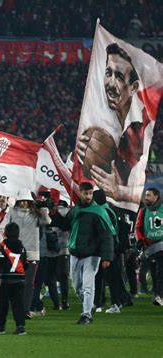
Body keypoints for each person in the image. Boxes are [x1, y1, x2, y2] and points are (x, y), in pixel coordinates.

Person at [77, 43, 153, 208]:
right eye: (108, 73)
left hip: (125, 217)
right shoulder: (98, 120)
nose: (110, 83)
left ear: (133, 87)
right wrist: (78, 157)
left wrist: (119, 191)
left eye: (119, 76)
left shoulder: (140, 129)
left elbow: (147, 193)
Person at [53, 182, 114, 324]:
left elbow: (107, 236)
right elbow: (64, 225)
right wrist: (54, 213)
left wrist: (106, 257)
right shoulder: (75, 210)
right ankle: (90, 305)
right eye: (85, 193)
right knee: (76, 286)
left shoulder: (98, 211)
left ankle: (86, 314)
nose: (88, 196)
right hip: (75, 252)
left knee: (88, 285)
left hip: (92, 254)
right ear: (80, 193)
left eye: (90, 193)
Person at [8, 189, 51, 319]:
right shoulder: (12, 212)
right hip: (15, 252)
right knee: (15, 282)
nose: (24, 204)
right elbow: (3, 227)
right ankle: (18, 307)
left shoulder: (36, 214)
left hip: (32, 253)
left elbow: (48, 221)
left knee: (28, 283)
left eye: (27, 201)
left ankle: (25, 310)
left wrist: (44, 208)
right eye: (22, 201)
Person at [0, 222, 28, 335]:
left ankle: (1, 325)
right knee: (18, 304)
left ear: (5, 233)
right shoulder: (21, 246)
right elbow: (26, 262)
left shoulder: (3, 246)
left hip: (6, 279)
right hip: (19, 279)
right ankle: (20, 326)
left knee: (3, 303)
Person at [135, 187, 163, 306]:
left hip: (162, 245)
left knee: (161, 272)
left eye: (149, 195)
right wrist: (140, 240)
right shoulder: (143, 211)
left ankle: (160, 296)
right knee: (153, 273)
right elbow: (138, 227)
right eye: (145, 195)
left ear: (156, 196)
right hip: (150, 248)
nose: (146, 198)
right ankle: (157, 295)